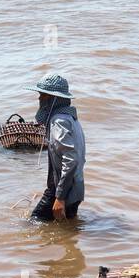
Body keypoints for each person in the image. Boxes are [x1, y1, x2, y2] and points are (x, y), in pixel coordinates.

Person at [27, 73, 86, 221]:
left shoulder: (59, 121)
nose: (39, 99)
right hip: (75, 188)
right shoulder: (70, 118)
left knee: (33, 223)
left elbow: (71, 160)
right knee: (67, 228)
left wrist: (60, 197)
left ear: (53, 99)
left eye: (43, 95)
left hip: (61, 191)